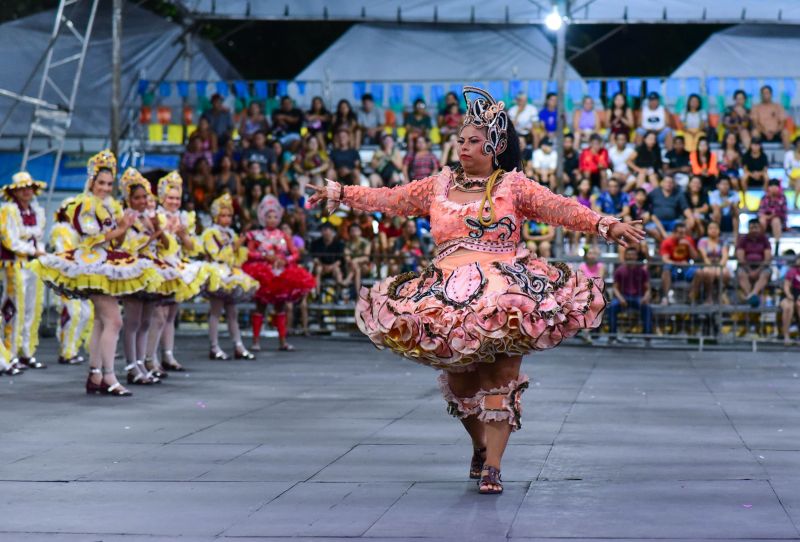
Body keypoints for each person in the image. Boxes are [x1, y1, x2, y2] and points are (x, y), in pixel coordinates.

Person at [308, 86, 643, 494]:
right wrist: (343, 193)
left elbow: (561, 207)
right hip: (446, 295)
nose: (463, 146)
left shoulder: (513, 186)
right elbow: (392, 198)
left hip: (507, 292)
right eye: (460, 140)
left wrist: (605, 224)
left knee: (500, 376)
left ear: (495, 145)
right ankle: (480, 447)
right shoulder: (438, 186)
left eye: (472, 141)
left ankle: (494, 468)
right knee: (462, 384)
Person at [32, 150, 163, 396]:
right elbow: (91, 239)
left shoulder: (109, 206)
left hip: (106, 262)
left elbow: (116, 242)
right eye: (100, 182)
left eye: (108, 183)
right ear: (91, 181)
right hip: (91, 264)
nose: (104, 187)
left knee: (102, 322)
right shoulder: (82, 204)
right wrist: (122, 226)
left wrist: (124, 226)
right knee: (114, 321)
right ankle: (108, 376)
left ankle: (96, 374)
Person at [146, 172, 209, 374]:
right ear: (162, 198)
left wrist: (182, 234)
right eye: (170, 197)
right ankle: (150, 357)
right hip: (160, 265)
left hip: (178, 267)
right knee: (158, 315)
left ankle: (168, 355)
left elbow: (191, 247)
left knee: (171, 314)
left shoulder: (184, 217)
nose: (174, 201)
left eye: (177, 198)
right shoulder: (156, 216)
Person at [118, 168, 175, 386]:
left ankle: (141, 363)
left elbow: (166, 245)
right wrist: (152, 235)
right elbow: (126, 245)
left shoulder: (149, 218)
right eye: (138, 198)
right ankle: (132, 366)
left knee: (145, 321)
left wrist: (159, 229)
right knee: (132, 321)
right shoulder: (126, 218)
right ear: (129, 199)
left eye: (145, 197)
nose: (142, 201)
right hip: (134, 269)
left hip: (152, 269)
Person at [243, 195, 315, 352]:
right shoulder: (256, 235)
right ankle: (256, 341)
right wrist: (264, 257)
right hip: (263, 273)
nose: (272, 219)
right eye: (269, 216)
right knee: (260, 307)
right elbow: (248, 253)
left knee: (280, 307)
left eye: (275, 216)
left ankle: (282, 340)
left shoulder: (283, 235)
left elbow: (295, 254)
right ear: (263, 217)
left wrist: (286, 260)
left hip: (281, 273)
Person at [202, 194, 258, 360]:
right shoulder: (210, 233)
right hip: (217, 274)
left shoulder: (231, 233)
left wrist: (238, 248)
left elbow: (236, 258)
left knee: (233, 312)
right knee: (216, 311)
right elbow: (217, 255)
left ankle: (238, 345)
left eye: (229, 216)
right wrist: (234, 246)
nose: (227, 219)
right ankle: (214, 346)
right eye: (223, 215)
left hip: (230, 272)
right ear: (216, 216)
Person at [0, 172, 47, 371]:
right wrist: (32, 250)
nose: (26, 192)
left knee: (32, 309)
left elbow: (38, 238)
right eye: (22, 188)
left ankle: (26, 352)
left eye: (29, 188)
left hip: (33, 265)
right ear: (15, 192)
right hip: (15, 265)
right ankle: (9, 353)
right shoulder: (8, 211)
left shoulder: (36, 211)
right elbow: (9, 240)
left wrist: (41, 252)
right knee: (13, 308)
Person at [49, 197, 93, 366]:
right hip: (65, 278)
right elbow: (64, 253)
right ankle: (66, 351)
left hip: (80, 277)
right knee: (72, 313)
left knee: (85, 314)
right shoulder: (61, 229)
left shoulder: (79, 230)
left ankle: (72, 349)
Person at [608, 246, 652, 339]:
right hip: (623, 296)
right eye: (629, 255)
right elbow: (615, 288)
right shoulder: (619, 270)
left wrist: (645, 297)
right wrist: (620, 298)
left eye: (633, 255)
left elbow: (648, 288)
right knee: (612, 307)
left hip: (638, 297)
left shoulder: (643, 271)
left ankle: (647, 336)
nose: (631, 257)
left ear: (636, 256)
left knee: (647, 307)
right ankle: (612, 335)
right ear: (625, 256)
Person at [659, 221, 699, 305]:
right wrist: (678, 263)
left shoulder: (688, 240)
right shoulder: (667, 242)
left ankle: (692, 297)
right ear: (674, 233)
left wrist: (689, 245)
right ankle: (666, 297)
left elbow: (695, 257)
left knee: (699, 272)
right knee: (666, 269)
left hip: (686, 266)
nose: (683, 235)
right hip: (673, 267)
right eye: (681, 233)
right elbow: (665, 259)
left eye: (684, 233)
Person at [736, 218, 772, 306]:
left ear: (760, 228)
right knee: (741, 274)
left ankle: (753, 294)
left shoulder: (764, 240)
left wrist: (758, 271)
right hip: (746, 267)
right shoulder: (743, 239)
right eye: (752, 228)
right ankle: (750, 296)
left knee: (766, 274)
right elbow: (740, 257)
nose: (754, 230)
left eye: (756, 228)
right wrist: (749, 271)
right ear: (748, 229)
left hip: (761, 267)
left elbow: (767, 258)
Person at [645, 176, 691, 243]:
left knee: (681, 229)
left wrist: (690, 218)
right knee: (652, 230)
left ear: (674, 184)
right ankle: (664, 245)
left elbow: (685, 208)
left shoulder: (678, 194)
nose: (668, 184)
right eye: (666, 182)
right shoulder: (654, 193)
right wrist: (647, 213)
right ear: (662, 183)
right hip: (656, 221)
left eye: (671, 182)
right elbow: (645, 204)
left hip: (673, 221)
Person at [697, 222, 731, 305]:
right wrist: (711, 267)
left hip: (720, 265)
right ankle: (708, 296)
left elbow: (725, 256)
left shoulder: (723, 241)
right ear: (707, 230)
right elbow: (704, 256)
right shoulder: (703, 241)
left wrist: (720, 267)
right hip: (706, 265)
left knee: (724, 273)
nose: (713, 230)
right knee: (709, 272)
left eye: (715, 228)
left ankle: (722, 294)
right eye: (711, 228)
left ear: (719, 230)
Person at [310, 222, 346, 297]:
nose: (324, 232)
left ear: (332, 231)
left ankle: (339, 295)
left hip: (334, 267)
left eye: (326, 230)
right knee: (318, 269)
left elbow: (340, 260)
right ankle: (317, 294)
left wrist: (331, 266)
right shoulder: (315, 243)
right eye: (322, 230)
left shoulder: (339, 243)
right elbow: (315, 258)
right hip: (321, 266)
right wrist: (322, 265)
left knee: (337, 271)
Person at [750, 85, 790, 149]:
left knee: (785, 132)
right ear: (761, 95)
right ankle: (756, 157)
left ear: (771, 94)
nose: (765, 95)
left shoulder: (778, 106)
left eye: (767, 93)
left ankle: (788, 156)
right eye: (763, 93)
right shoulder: (756, 107)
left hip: (776, 133)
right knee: (755, 132)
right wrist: (764, 132)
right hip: (762, 133)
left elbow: (782, 122)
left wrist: (774, 132)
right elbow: (755, 123)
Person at [758, 178, 788, 252]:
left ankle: (777, 247)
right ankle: (761, 244)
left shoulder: (782, 198)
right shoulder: (764, 198)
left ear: (779, 188)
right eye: (771, 186)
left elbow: (782, 213)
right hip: (766, 221)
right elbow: (761, 211)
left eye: (775, 186)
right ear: (768, 188)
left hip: (778, 223)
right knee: (762, 220)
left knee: (776, 221)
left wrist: (772, 215)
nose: (773, 188)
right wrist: (768, 216)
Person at [343, 222, 373, 295]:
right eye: (352, 230)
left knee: (357, 267)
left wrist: (356, 260)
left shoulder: (366, 243)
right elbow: (347, 258)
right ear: (349, 232)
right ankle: (358, 294)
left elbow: (366, 258)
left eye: (356, 230)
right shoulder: (347, 244)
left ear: (360, 231)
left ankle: (347, 280)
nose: (354, 232)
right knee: (357, 269)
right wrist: (353, 261)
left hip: (364, 267)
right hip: (352, 267)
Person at [780, 255, 800, 345]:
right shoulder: (792, 271)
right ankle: (786, 336)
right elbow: (786, 286)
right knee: (788, 307)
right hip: (790, 294)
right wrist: (789, 295)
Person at [783, 136, 800, 209]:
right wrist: (793, 177)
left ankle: (795, 202)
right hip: (789, 178)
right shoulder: (789, 154)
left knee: (799, 181)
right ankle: (794, 203)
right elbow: (786, 169)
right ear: (796, 144)